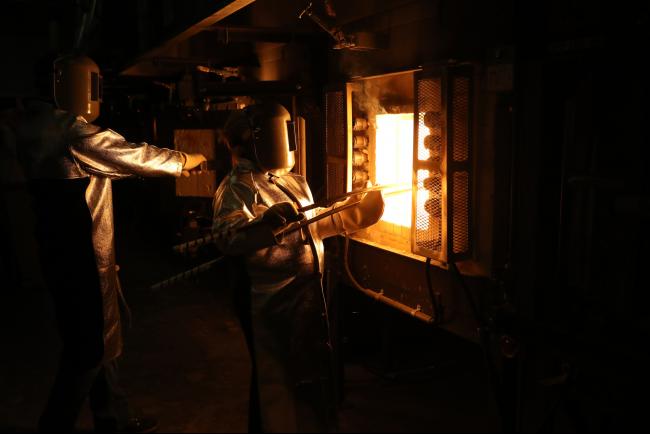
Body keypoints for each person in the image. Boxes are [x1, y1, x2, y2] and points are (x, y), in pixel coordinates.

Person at [0, 54, 206, 433]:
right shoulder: (70, 132)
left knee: (101, 337)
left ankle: (114, 418)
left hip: (63, 251)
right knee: (88, 351)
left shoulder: (30, 124)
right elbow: (133, 157)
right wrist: (186, 159)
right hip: (82, 256)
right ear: (81, 86)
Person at [212, 102, 384, 433]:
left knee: (307, 376)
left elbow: (316, 225)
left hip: (307, 294)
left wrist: (358, 211)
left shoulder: (293, 182)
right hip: (270, 301)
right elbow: (226, 237)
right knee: (275, 382)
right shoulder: (237, 187)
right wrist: (265, 221)